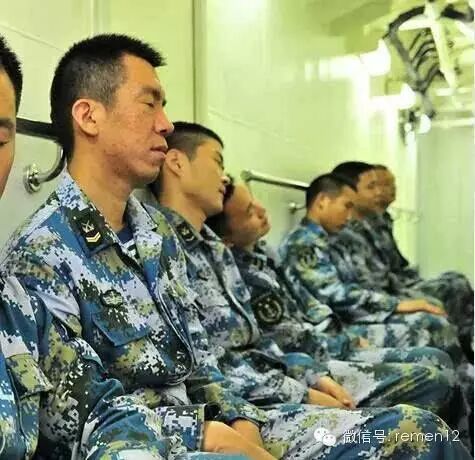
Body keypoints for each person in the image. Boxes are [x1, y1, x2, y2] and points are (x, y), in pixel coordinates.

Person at [0, 34, 276, 460]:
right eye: (150, 104)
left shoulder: (157, 234)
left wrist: (239, 422)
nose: (166, 125)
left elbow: (199, 362)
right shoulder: (39, 253)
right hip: (157, 442)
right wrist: (205, 435)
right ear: (89, 116)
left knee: (389, 432)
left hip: (199, 425)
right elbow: (78, 423)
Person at [149, 120, 472, 458]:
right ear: (177, 163)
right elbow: (208, 369)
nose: (224, 177)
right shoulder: (160, 248)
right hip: (244, 405)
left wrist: (307, 374)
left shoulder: (213, 249)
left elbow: (259, 340)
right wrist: (299, 387)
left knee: (432, 378)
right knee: (420, 422)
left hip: (277, 379)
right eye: (217, 162)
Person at [205, 178, 471, 446]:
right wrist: (322, 366)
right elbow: (284, 336)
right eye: (249, 211)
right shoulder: (249, 266)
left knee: (436, 352)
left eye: (255, 202)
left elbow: (309, 309)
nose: (262, 210)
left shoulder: (263, 255)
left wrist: (345, 339)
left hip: (321, 346)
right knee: (433, 369)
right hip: (306, 360)